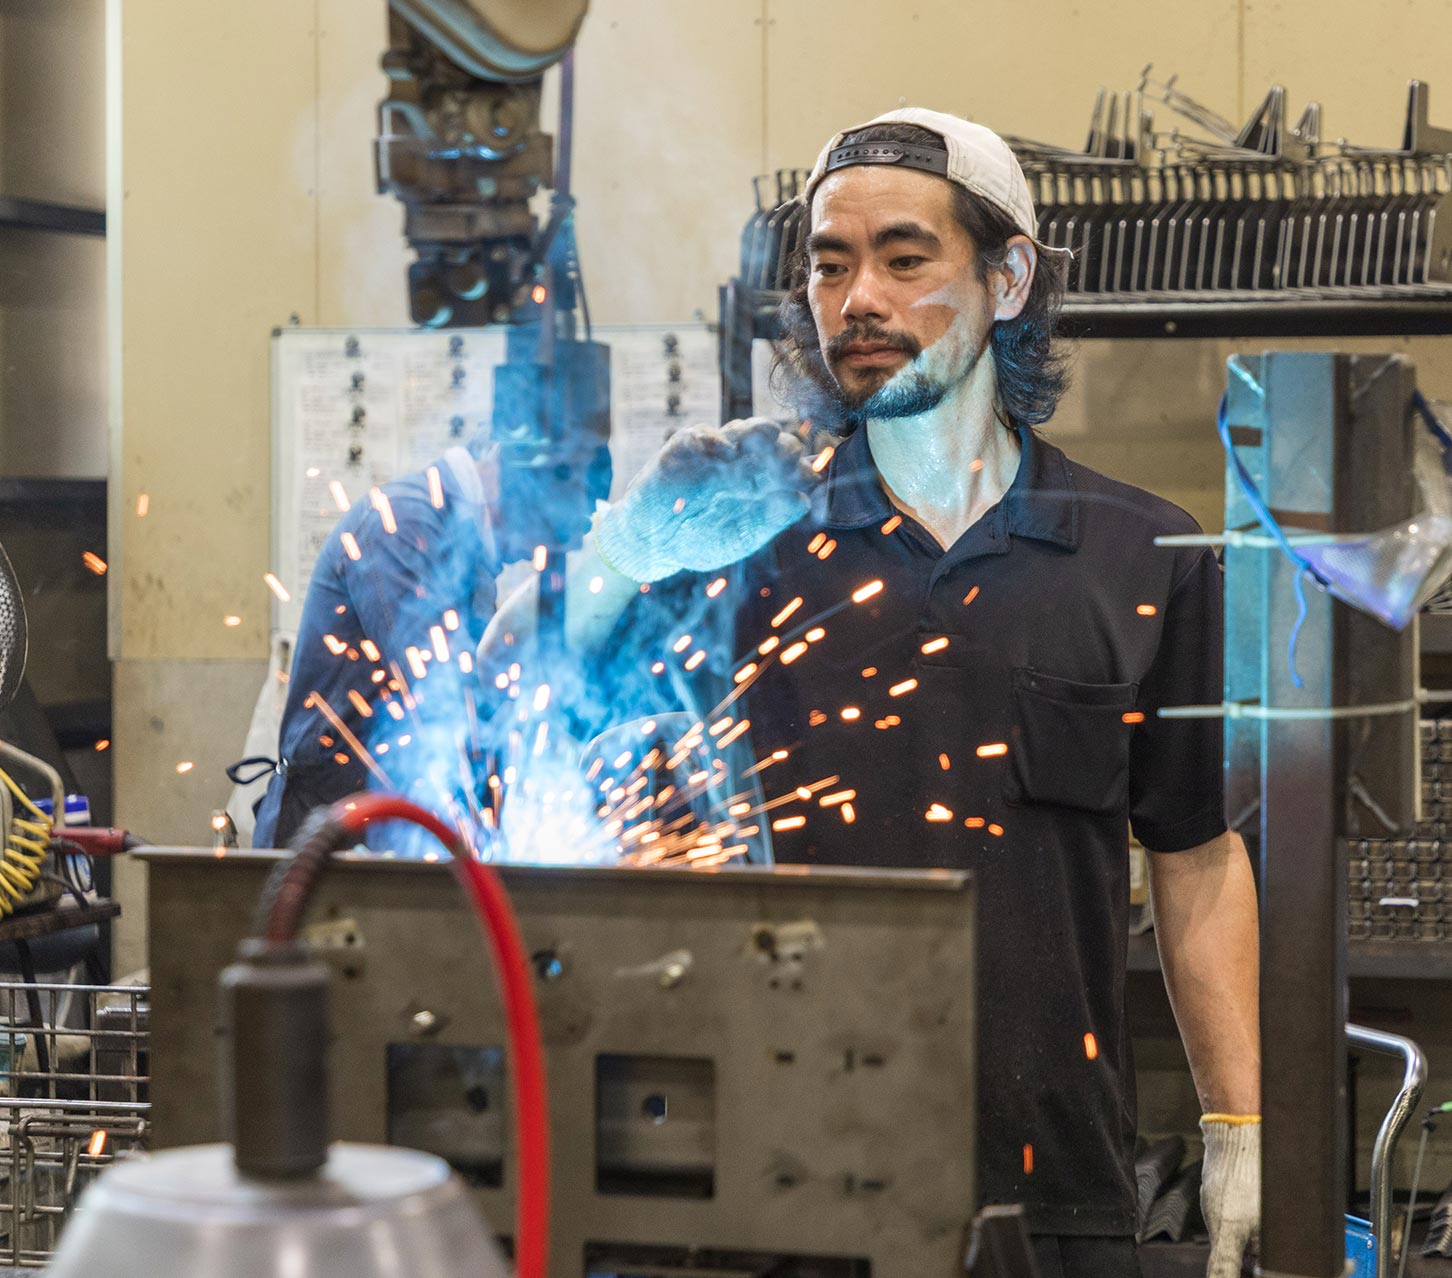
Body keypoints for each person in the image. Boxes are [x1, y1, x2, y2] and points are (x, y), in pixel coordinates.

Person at [487, 108, 1262, 1278]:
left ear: (1008, 279)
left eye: (905, 260)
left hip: (1049, 1187)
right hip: (770, 1189)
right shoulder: (744, 533)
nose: (858, 300)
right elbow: (508, 700)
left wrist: (1238, 1125)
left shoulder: (1141, 555)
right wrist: (622, 550)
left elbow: (1195, 857)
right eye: (830, 265)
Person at [252, 444, 502, 847]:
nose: (570, 536)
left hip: (384, 824)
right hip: (329, 835)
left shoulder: (464, 538)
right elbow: (441, 696)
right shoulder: (401, 525)